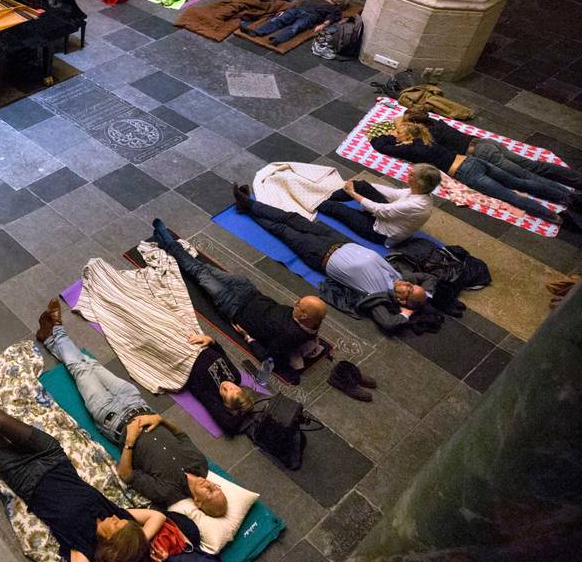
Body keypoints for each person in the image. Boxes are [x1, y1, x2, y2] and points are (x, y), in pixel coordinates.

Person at [0, 372, 162, 562]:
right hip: (52, 458)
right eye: (121, 521)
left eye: (117, 525)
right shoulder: (116, 514)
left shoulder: (84, 551)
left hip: (23, 478)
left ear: (112, 545)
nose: (116, 517)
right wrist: (137, 547)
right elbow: (156, 517)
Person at [34, 303, 228, 516]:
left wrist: (129, 442)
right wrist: (159, 419)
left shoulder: (168, 493)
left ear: (198, 504)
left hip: (112, 418)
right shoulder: (200, 464)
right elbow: (181, 435)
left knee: (80, 369)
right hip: (135, 402)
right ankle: (50, 338)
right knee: (91, 364)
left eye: (210, 494)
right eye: (216, 488)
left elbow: (126, 475)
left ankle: (57, 330)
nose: (211, 486)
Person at [232, 185, 434, 332]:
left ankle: (247, 206)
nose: (407, 283)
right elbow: (430, 279)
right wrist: (426, 294)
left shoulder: (378, 298)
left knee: (282, 230)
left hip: (320, 254)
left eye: (408, 289)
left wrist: (406, 313)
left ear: (402, 300)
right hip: (338, 240)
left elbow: (388, 323)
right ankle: (248, 204)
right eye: (411, 285)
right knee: (292, 218)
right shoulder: (401, 277)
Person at [150, 219, 327, 373]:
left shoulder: (289, 335)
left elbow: (269, 358)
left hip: (233, 306)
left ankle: (168, 243)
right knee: (204, 267)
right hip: (248, 290)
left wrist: (248, 338)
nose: (295, 302)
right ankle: (173, 248)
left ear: (304, 315)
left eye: (298, 305)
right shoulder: (312, 324)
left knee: (198, 271)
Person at [370, 122, 579, 226]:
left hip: (465, 172)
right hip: (473, 160)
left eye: (398, 133)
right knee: (521, 181)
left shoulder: (412, 149)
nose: (395, 136)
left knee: (510, 195)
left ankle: (554, 217)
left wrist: (385, 136)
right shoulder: (426, 138)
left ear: (406, 135)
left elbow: (381, 146)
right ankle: (567, 197)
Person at [399, 107, 582, 190]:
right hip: (486, 143)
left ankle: (566, 194)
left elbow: (427, 150)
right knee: (532, 165)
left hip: (481, 153)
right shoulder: (437, 123)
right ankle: (576, 179)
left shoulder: (431, 136)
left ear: (415, 124)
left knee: (526, 176)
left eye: (408, 124)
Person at [315, 165, 441, 247]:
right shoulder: (419, 191)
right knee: (361, 185)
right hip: (386, 218)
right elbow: (394, 193)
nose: (408, 174)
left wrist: (352, 193)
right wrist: (359, 186)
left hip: (380, 233)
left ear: (418, 182)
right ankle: (326, 195)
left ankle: (314, 200)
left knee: (337, 209)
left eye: (411, 174)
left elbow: (378, 209)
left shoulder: (416, 205)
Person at [242, 0, 346, 45]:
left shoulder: (334, 9)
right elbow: (299, 4)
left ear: (339, 1)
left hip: (311, 16)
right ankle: (257, 32)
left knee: (296, 27)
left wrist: (323, 25)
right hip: (297, 10)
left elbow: (332, 17)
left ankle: (277, 39)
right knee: (279, 20)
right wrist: (284, 11)